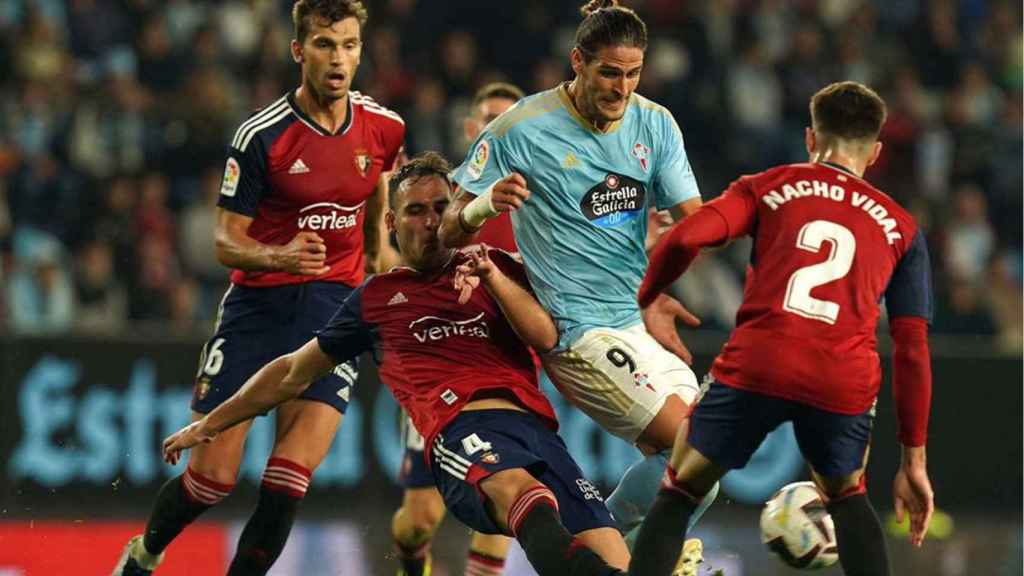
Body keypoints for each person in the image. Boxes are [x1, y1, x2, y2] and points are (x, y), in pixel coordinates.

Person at [162, 152, 633, 576]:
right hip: (462, 432)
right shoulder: (376, 299)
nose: (431, 222)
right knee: (523, 494)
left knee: (614, 553)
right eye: (415, 210)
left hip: (539, 433)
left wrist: (496, 271)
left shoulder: (500, 267)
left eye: (440, 209)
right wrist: (213, 423)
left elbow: (559, 326)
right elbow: (291, 372)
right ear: (390, 221)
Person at [112, 2, 404, 575]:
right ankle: (144, 554)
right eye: (324, 44)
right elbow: (223, 242)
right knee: (211, 480)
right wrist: (281, 254)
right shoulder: (261, 135)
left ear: (361, 51)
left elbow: (377, 194)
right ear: (299, 50)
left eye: (348, 45)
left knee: (288, 478)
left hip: (332, 312)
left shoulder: (384, 126)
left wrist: (381, 265)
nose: (338, 58)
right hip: (259, 307)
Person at [440, 1, 715, 571]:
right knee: (690, 451)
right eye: (610, 73)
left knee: (707, 465)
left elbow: (696, 222)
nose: (622, 89)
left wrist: (669, 274)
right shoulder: (520, 128)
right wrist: (486, 205)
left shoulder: (655, 123)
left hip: (635, 319)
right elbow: (446, 227)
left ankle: (599, 550)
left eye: (633, 73)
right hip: (577, 331)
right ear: (578, 63)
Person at [628, 81, 936, 576]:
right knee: (848, 497)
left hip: (760, 362)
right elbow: (912, 350)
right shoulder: (902, 228)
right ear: (875, 153)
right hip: (841, 379)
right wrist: (914, 462)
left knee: (680, 490)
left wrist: (648, 297)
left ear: (810, 139)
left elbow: (684, 238)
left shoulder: (768, 186)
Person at [390, 82, 524, 576]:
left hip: (506, 371)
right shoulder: (441, 198)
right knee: (419, 522)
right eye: (490, 118)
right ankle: (410, 562)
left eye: (511, 121)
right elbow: (398, 264)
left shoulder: (538, 204)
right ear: (471, 129)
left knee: (504, 506)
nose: (500, 130)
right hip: (438, 371)